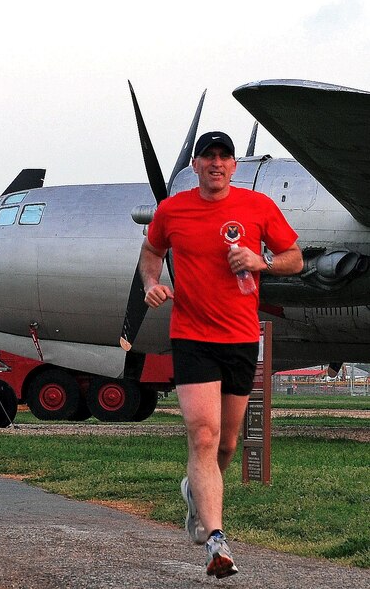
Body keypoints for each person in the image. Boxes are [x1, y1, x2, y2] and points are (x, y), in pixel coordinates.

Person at [138, 131, 303, 578]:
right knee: (204, 435)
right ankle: (216, 540)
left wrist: (260, 261)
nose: (215, 163)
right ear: (195, 165)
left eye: (223, 156)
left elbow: (295, 257)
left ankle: (194, 493)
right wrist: (153, 284)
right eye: (207, 156)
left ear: (234, 166)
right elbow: (151, 251)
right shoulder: (172, 210)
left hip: (241, 337)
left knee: (228, 443)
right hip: (192, 335)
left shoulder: (258, 207)